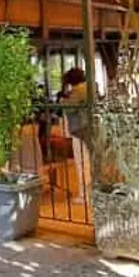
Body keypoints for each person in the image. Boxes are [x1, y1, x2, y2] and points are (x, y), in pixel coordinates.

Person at [60, 67, 91, 205]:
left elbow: (68, 107)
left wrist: (63, 97)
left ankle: (85, 195)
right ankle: (93, 192)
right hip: (91, 128)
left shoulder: (78, 91)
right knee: (91, 161)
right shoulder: (90, 87)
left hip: (80, 129)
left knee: (82, 163)